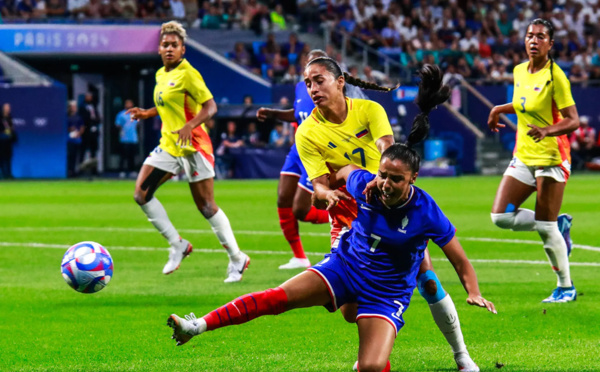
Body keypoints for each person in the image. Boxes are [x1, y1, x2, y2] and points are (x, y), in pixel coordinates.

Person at [166, 96, 496, 372]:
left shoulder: (426, 211)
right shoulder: (365, 185)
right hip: (345, 266)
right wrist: (327, 189)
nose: (386, 184)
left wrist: (474, 291)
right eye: (383, 175)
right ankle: (197, 326)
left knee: (369, 365)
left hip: (387, 290)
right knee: (278, 298)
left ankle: (460, 355)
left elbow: (460, 259)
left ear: (413, 179)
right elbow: (345, 170)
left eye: (396, 179)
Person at [294, 61, 481, 372]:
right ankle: (375, 353)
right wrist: (327, 195)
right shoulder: (307, 131)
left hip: (389, 206)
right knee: (351, 311)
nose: (313, 88)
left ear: (340, 82)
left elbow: (386, 145)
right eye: (308, 83)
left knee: (429, 282)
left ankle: (462, 356)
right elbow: (318, 186)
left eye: (319, 81)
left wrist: (377, 179)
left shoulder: (369, 110)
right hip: (348, 219)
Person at [126, 21, 250, 283]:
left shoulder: (188, 74)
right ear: (159, 49)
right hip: (170, 145)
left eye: (174, 45)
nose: (169, 48)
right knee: (141, 194)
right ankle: (178, 244)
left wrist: (190, 125)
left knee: (206, 206)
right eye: (165, 45)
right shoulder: (161, 75)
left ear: (182, 49)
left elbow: (211, 107)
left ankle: (237, 258)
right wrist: (147, 112)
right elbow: (166, 105)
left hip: (194, 145)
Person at [488, 19, 580, 303]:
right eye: (530, 35)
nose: (533, 41)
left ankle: (566, 287)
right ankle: (558, 226)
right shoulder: (518, 71)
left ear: (550, 44)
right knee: (501, 216)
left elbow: (573, 120)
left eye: (540, 37)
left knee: (544, 226)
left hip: (552, 157)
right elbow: (523, 104)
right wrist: (499, 109)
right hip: (524, 154)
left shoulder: (557, 77)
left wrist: (548, 130)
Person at [256, 49, 368, 270]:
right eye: (307, 66)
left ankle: (348, 217)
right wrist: (273, 114)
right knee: (282, 198)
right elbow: (298, 113)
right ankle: (299, 256)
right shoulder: (301, 87)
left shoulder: (336, 90)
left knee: (301, 210)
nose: (310, 74)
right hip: (297, 149)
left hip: (318, 150)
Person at [115, 99, 140, 178]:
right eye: (127, 104)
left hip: (133, 138)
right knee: (123, 156)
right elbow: (118, 125)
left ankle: (132, 170)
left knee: (132, 156)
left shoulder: (135, 114)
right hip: (124, 138)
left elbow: (137, 124)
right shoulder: (121, 114)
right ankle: (122, 170)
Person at [67, 100, 85, 178]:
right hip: (69, 139)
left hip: (77, 139)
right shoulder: (67, 117)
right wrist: (70, 129)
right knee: (70, 155)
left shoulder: (79, 117)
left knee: (78, 156)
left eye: (75, 107)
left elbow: (82, 127)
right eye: (72, 107)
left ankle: (77, 171)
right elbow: (66, 127)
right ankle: (70, 170)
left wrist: (79, 133)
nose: (73, 108)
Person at [0, 103, 16, 179]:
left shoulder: (9, 118)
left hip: (8, 140)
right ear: (3, 108)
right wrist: (4, 131)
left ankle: (9, 174)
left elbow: (11, 128)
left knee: (8, 157)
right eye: (6, 108)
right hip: (1, 140)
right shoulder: (1, 118)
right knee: (2, 158)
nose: (8, 109)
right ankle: (3, 173)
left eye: (9, 108)